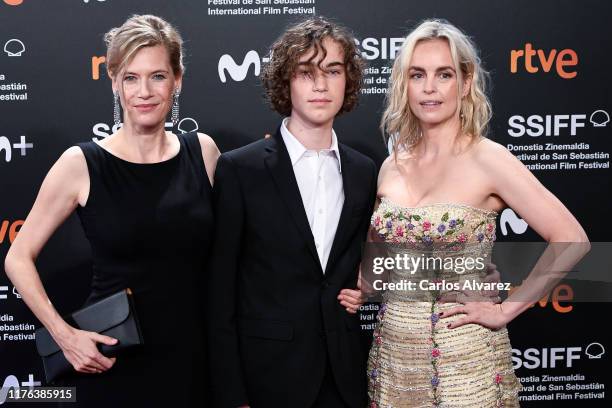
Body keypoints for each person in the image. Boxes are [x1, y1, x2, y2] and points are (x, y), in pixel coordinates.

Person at [367, 19, 589, 407]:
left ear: (466, 83)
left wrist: (506, 309)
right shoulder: (392, 164)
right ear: (406, 84)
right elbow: (376, 263)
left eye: (444, 74)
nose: (430, 88)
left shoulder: (490, 159)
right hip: (395, 362)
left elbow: (572, 240)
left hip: (465, 363)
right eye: (418, 75)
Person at [4, 14, 219, 407]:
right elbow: (18, 257)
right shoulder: (81, 164)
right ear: (116, 82)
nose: (144, 91)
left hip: (194, 360)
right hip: (113, 362)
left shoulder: (202, 152)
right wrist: (65, 336)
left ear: (178, 80)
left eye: (157, 76)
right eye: (131, 77)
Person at [207, 17, 374, 408]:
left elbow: (372, 259)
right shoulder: (240, 169)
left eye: (332, 71)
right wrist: (233, 394)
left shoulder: (364, 171)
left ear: (347, 80)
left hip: (345, 376)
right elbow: (220, 291)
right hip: (267, 377)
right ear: (286, 82)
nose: (321, 85)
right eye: (305, 72)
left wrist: (479, 274)